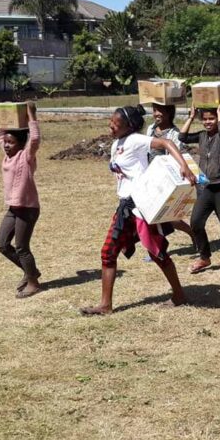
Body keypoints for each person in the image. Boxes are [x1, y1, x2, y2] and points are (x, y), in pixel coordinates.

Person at [81, 105, 195, 316]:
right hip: (125, 207)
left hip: (141, 207)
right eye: (111, 121)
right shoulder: (117, 144)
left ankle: (179, 295)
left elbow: (167, 143)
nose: (111, 126)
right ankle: (105, 305)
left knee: (157, 253)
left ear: (129, 126)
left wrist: (184, 167)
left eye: (116, 123)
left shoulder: (135, 140)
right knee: (108, 252)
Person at [180, 100, 220, 273]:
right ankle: (204, 257)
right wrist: (190, 117)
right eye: (205, 119)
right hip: (205, 188)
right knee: (196, 222)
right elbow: (182, 137)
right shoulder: (202, 136)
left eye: (211, 118)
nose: (208, 122)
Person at [0, 101, 43, 299]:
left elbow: (35, 138)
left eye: (11, 142)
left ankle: (33, 282)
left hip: (28, 208)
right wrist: (5, 115)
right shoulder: (7, 155)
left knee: (22, 246)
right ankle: (31, 271)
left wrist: (31, 114)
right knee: (2, 244)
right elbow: (0, 134)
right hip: (13, 208)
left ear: (21, 144)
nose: (6, 145)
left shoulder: (26, 156)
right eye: (5, 142)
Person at [146, 103, 194, 244]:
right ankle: (156, 247)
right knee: (151, 214)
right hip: (150, 177)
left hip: (165, 179)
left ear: (169, 113)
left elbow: (177, 156)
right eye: (154, 111)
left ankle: (193, 233)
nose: (156, 114)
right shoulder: (151, 129)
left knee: (170, 217)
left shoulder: (174, 133)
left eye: (160, 111)